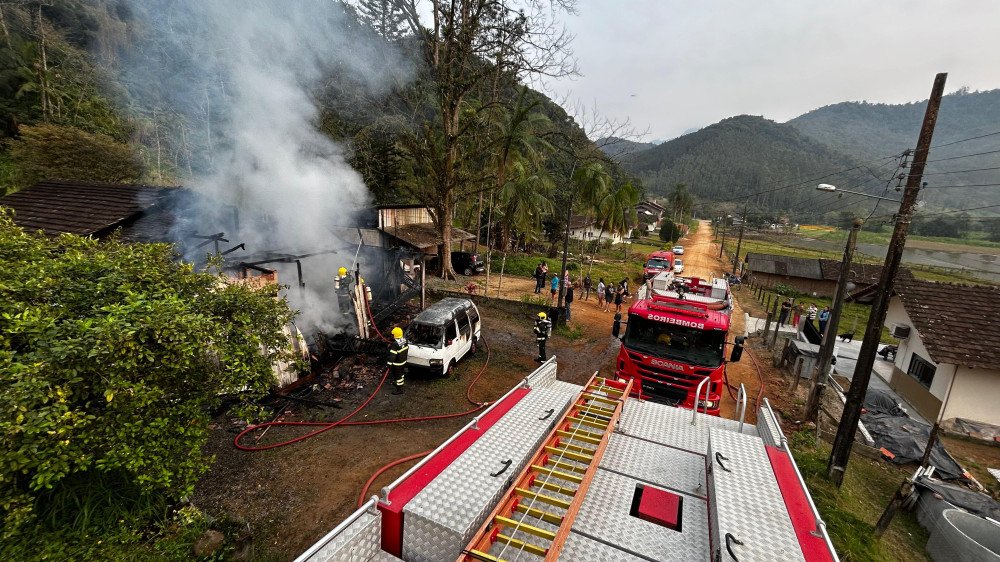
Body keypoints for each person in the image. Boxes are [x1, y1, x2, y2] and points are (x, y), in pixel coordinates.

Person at [387, 326, 409, 394]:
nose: (392, 335)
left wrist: (389, 364)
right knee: (401, 374)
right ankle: (400, 383)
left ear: (395, 335)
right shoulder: (405, 340)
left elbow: (392, 356)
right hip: (403, 362)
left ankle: (399, 390)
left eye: (393, 334)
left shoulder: (395, 344)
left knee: (397, 376)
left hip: (397, 364)